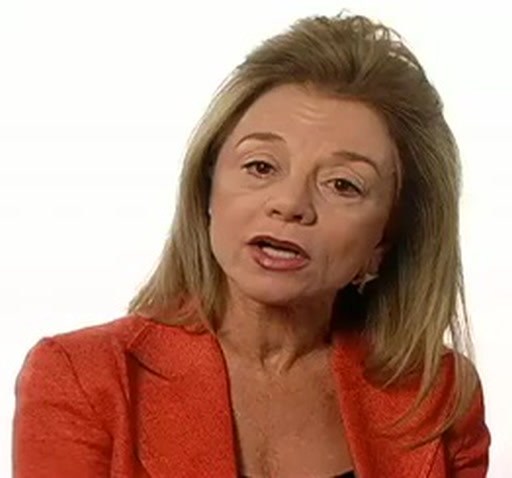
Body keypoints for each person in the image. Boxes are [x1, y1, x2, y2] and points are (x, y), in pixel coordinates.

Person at [12, 11, 491, 478]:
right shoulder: (81, 378)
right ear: (207, 189)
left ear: (387, 236)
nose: (290, 204)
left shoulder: (440, 397)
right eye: (261, 166)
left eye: (343, 184)